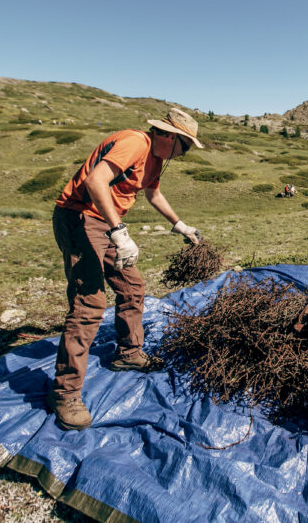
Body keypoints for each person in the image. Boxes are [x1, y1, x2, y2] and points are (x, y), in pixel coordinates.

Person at [49, 107, 203, 431]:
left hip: (103, 222)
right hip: (79, 217)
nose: (184, 153)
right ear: (167, 136)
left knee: (132, 287)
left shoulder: (157, 160)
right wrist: (119, 231)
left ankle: (128, 353)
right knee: (89, 304)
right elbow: (96, 181)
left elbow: (153, 193)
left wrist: (180, 225)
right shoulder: (135, 143)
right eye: (184, 146)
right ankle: (66, 394)